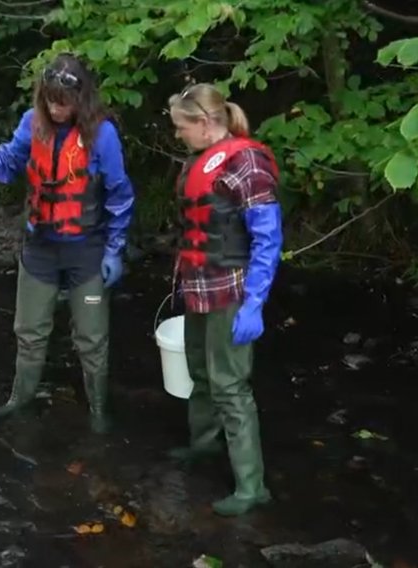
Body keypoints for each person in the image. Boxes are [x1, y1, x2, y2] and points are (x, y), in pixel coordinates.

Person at [0, 53, 135, 434]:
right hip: (40, 249)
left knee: (91, 339)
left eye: (63, 102)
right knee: (29, 332)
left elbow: (119, 194)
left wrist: (115, 249)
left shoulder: (102, 135)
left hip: (86, 251)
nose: (55, 109)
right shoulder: (31, 124)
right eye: (49, 101)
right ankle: (20, 399)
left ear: (80, 99)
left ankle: (99, 410)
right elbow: (8, 164)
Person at [164, 82, 283, 516]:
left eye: (182, 126)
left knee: (230, 386)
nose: (178, 134)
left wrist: (254, 304)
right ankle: (205, 445)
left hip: (231, 291)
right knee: (199, 372)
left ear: (204, 122)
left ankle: (252, 487)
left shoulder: (247, 161)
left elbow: (267, 237)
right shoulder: (199, 159)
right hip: (198, 287)